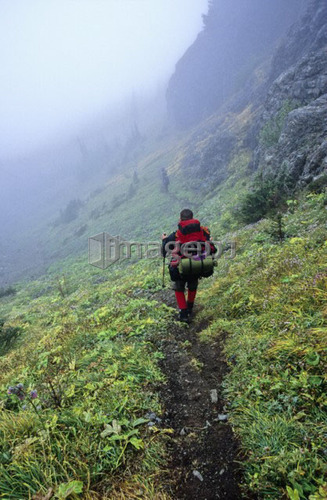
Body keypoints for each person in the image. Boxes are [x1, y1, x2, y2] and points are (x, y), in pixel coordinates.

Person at [162, 208, 216, 323]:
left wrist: (164, 240)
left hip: (182, 265)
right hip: (197, 262)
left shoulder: (177, 234)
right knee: (193, 283)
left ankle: (183, 314)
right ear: (192, 218)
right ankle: (190, 308)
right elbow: (210, 245)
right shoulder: (203, 230)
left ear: (181, 219)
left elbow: (165, 250)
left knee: (178, 286)